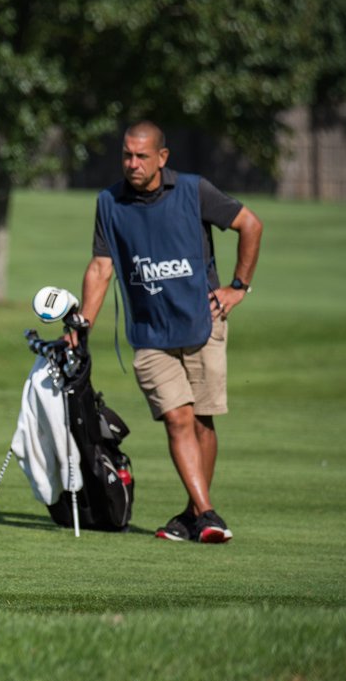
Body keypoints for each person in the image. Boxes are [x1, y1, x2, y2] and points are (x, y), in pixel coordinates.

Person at [75, 121, 262, 544]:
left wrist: (238, 287)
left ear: (162, 157)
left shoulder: (194, 191)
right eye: (126, 154)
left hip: (202, 323)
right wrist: (83, 324)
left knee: (201, 420)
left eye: (142, 156)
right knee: (177, 418)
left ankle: (193, 514)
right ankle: (209, 513)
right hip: (149, 333)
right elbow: (101, 267)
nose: (132, 163)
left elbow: (250, 224)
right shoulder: (110, 202)